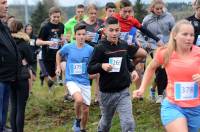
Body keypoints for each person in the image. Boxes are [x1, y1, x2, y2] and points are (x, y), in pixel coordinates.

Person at [133, 19, 200, 132]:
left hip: (195, 108)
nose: (189, 38)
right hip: (173, 106)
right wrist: (142, 88)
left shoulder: (198, 53)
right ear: (174, 35)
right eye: (185, 34)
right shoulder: (166, 52)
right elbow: (150, 68)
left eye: (192, 35)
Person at [87, 17, 147, 132]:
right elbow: (90, 68)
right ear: (105, 31)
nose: (114, 33)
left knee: (128, 122)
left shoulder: (123, 45)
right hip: (106, 93)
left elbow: (126, 61)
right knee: (106, 123)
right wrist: (102, 66)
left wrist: (133, 70)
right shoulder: (100, 48)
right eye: (111, 30)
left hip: (123, 91)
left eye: (117, 30)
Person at [56, 23, 93, 132]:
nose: (81, 37)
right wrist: (58, 66)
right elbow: (58, 54)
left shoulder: (90, 49)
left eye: (83, 34)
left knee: (86, 110)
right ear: (75, 35)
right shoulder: (68, 47)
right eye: (79, 34)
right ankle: (77, 119)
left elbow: (93, 63)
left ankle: (83, 128)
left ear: (86, 35)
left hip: (85, 81)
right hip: (71, 80)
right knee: (78, 99)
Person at [138, 0, 175, 103]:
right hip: (153, 47)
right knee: (160, 67)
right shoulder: (147, 19)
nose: (159, 11)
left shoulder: (169, 17)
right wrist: (146, 45)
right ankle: (161, 94)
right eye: (157, 9)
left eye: (161, 8)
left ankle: (154, 89)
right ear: (152, 9)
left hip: (167, 46)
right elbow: (139, 33)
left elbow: (174, 31)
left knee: (165, 69)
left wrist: (171, 43)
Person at [0, 0, 21, 131]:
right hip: (1, 76)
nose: (6, 6)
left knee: (3, 110)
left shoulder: (3, 26)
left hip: (7, 77)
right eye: (2, 2)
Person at [9, 20, 33, 132]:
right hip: (22, 77)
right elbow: (31, 59)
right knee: (21, 107)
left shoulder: (7, 41)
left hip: (9, 76)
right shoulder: (23, 43)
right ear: (21, 29)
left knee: (13, 106)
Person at [80, 4, 104, 104]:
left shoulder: (101, 23)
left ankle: (97, 97)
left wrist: (103, 37)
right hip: (85, 51)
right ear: (87, 13)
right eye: (91, 13)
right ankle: (85, 97)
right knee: (86, 74)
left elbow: (105, 33)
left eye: (95, 13)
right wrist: (84, 38)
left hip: (97, 51)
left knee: (98, 73)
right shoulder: (82, 24)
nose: (93, 15)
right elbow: (74, 37)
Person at [36, 7, 64, 91]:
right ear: (50, 16)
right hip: (47, 55)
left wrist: (62, 40)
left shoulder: (61, 25)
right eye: (54, 17)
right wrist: (48, 42)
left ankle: (57, 87)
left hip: (58, 54)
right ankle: (50, 86)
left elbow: (61, 37)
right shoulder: (45, 27)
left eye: (58, 17)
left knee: (60, 71)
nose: (56, 19)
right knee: (53, 76)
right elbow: (37, 42)